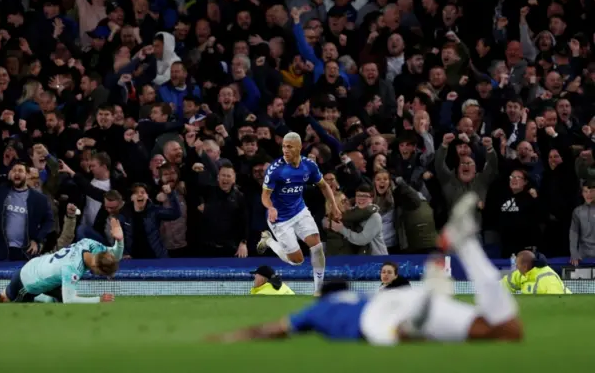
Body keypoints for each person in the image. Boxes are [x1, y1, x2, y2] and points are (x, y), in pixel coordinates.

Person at [212, 193, 524, 345]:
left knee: (499, 332)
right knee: (509, 330)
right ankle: (466, 248)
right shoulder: (359, 296)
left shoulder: (316, 312)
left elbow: (274, 329)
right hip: (391, 302)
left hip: (377, 320)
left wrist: (230, 337)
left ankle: (415, 322)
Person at [0, 218, 125, 304]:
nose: (98, 275)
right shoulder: (72, 269)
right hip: (28, 280)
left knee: (56, 299)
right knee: (2, 298)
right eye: (100, 273)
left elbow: (113, 256)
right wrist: (99, 299)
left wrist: (119, 241)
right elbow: (70, 300)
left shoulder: (91, 245)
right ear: (95, 266)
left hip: (39, 265)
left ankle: (43, 298)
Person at [257, 132, 341, 296]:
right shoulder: (276, 170)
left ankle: (318, 289)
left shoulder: (309, 165)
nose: (285, 150)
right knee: (297, 261)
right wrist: (271, 208)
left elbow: (323, 186)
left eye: (289, 147)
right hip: (280, 218)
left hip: (299, 210)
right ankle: (268, 241)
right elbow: (265, 196)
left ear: (299, 147)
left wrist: (334, 206)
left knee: (317, 246)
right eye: (283, 147)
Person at [501, 248, 570, 294]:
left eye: (517, 264)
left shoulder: (548, 279)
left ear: (525, 266)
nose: (516, 267)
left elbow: (558, 302)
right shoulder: (522, 273)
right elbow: (503, 284)